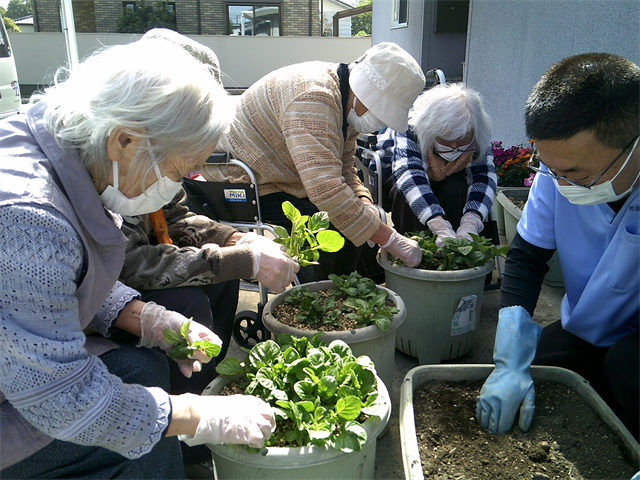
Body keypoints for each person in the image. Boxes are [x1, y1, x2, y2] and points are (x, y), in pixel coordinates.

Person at [0, 38, 277, 479]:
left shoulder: (64, 145)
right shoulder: (28, 219)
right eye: (175, 171)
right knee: (141, 438)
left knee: (143, 368)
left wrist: (143, 316)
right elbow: (57, 397)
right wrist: (193, 415)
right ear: (124, 140)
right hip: (25, 403)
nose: (175, 185)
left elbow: (51, 282)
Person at [475, 53, 640, 444]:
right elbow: (528, 256)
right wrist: (510, 355)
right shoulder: (558, 169)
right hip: (588, 325)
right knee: (535, 371)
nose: (560, 183)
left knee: (627, 371)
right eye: (550, 168)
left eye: (576, 175)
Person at [202, 42, 427, 280]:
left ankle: (336, 290)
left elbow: (343, 167)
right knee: (326, 229)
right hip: (244, 177)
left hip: (283, 173)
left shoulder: (344, 100)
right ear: (366, 93)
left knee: (352, 218)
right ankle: (320, 293)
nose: (380, 123)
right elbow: (326, 189)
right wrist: (389, 237)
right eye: (382, 112)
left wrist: (364, 201)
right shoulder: (313, 99)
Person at [375, 83, 496, 245]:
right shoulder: (411, 124)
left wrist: (471, 221)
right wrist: (437, 223)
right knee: (405, 194)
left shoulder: (476, 127)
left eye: (462, 141)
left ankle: (455, 249)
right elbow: (409, 175)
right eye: (446, 140)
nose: (454, 147)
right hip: (395, 173)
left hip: (448, 176)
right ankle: (412, 248)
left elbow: (484, 176)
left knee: (456, 187)